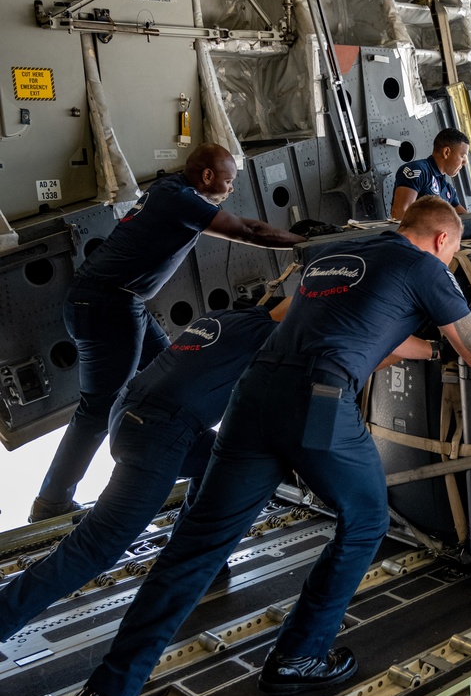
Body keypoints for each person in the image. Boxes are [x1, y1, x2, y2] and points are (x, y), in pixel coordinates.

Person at [49, 197, 471, 696]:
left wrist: (435, 354)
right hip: (316, 402)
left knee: (194, 551)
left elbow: (386, 337)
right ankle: (299, 655)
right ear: (444, 241)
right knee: (368, 519)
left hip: (253, 400)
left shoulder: (343, 256)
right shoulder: (426, 268)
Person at [30, 144, 301, 523]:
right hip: (107, 306)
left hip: (122, 303)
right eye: (228, 180)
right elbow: (247, 230)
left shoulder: (173, 190)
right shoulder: (180, 199)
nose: (231, 188)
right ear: (207, 176)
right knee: (98, 408)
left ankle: (191, 457)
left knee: (173, 375)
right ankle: (52, 502)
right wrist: (308, 245)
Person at [0, 299, 289, 640]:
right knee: (95, 549)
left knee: (225, 457)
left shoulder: (224, 317)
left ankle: (196, 559)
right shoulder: (273, 337)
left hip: (130, 414)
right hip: (158, 434)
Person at [390, 128, 470, 219]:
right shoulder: (418, 171)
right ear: (446, 152)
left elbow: (466, 222)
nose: (464, 163)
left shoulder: (449, 191)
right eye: (462, 157)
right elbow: (400, 213)